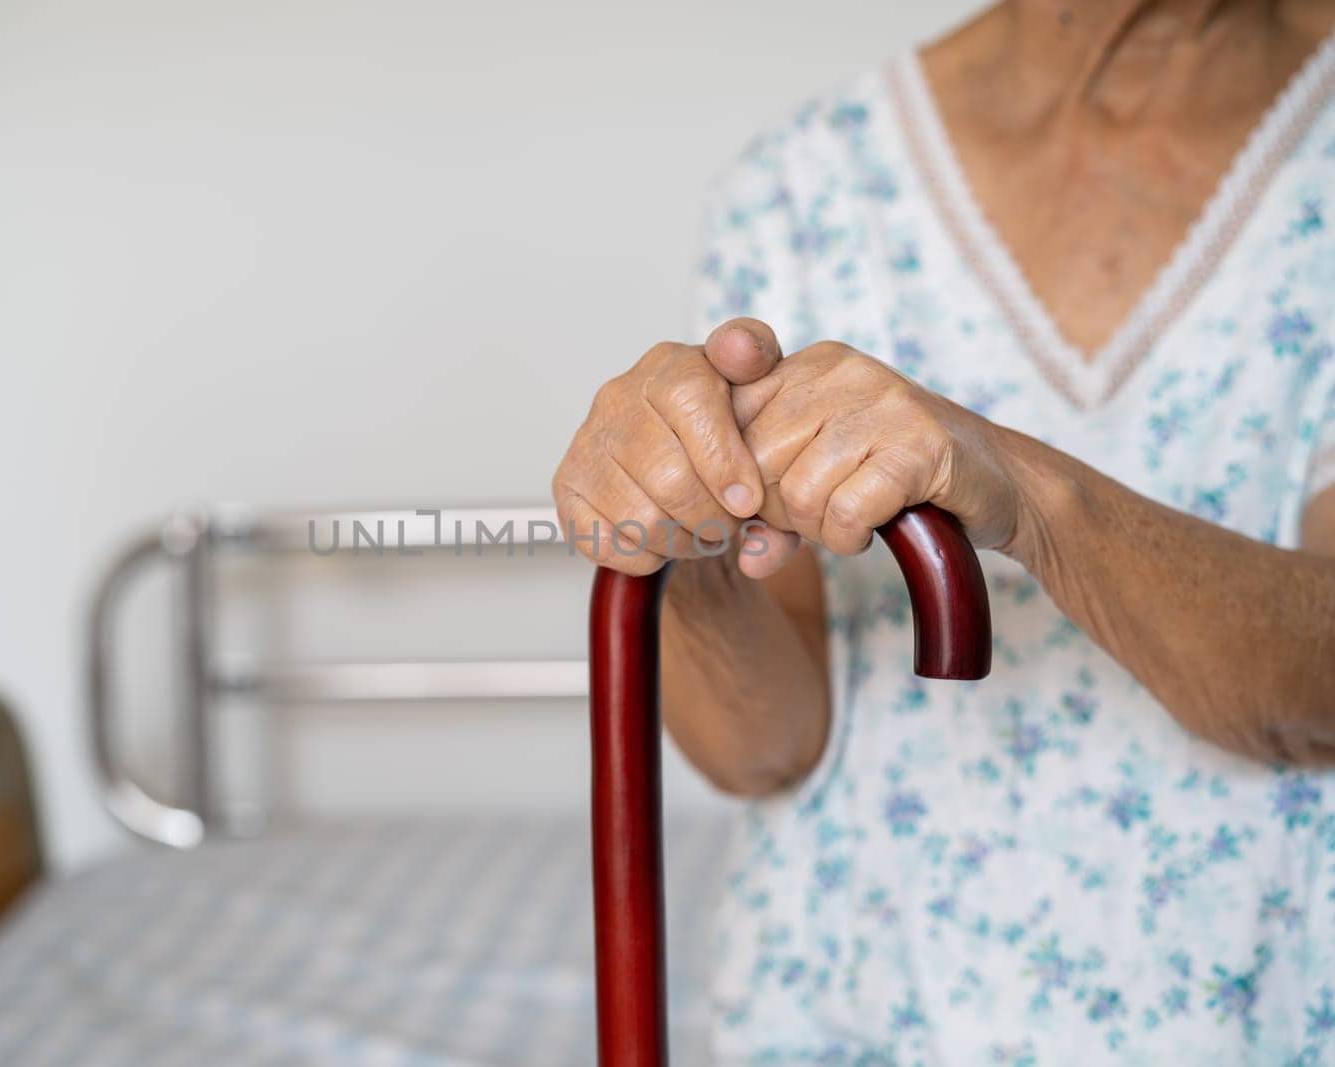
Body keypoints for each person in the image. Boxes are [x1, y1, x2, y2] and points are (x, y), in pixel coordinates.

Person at [552, 1, 1335, 1061]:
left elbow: (1317, 685)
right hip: (860, 1003)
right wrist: (674, 528)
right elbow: (763, 747)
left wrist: (1030, 494)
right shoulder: (803, 182)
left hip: (1258, 1001)